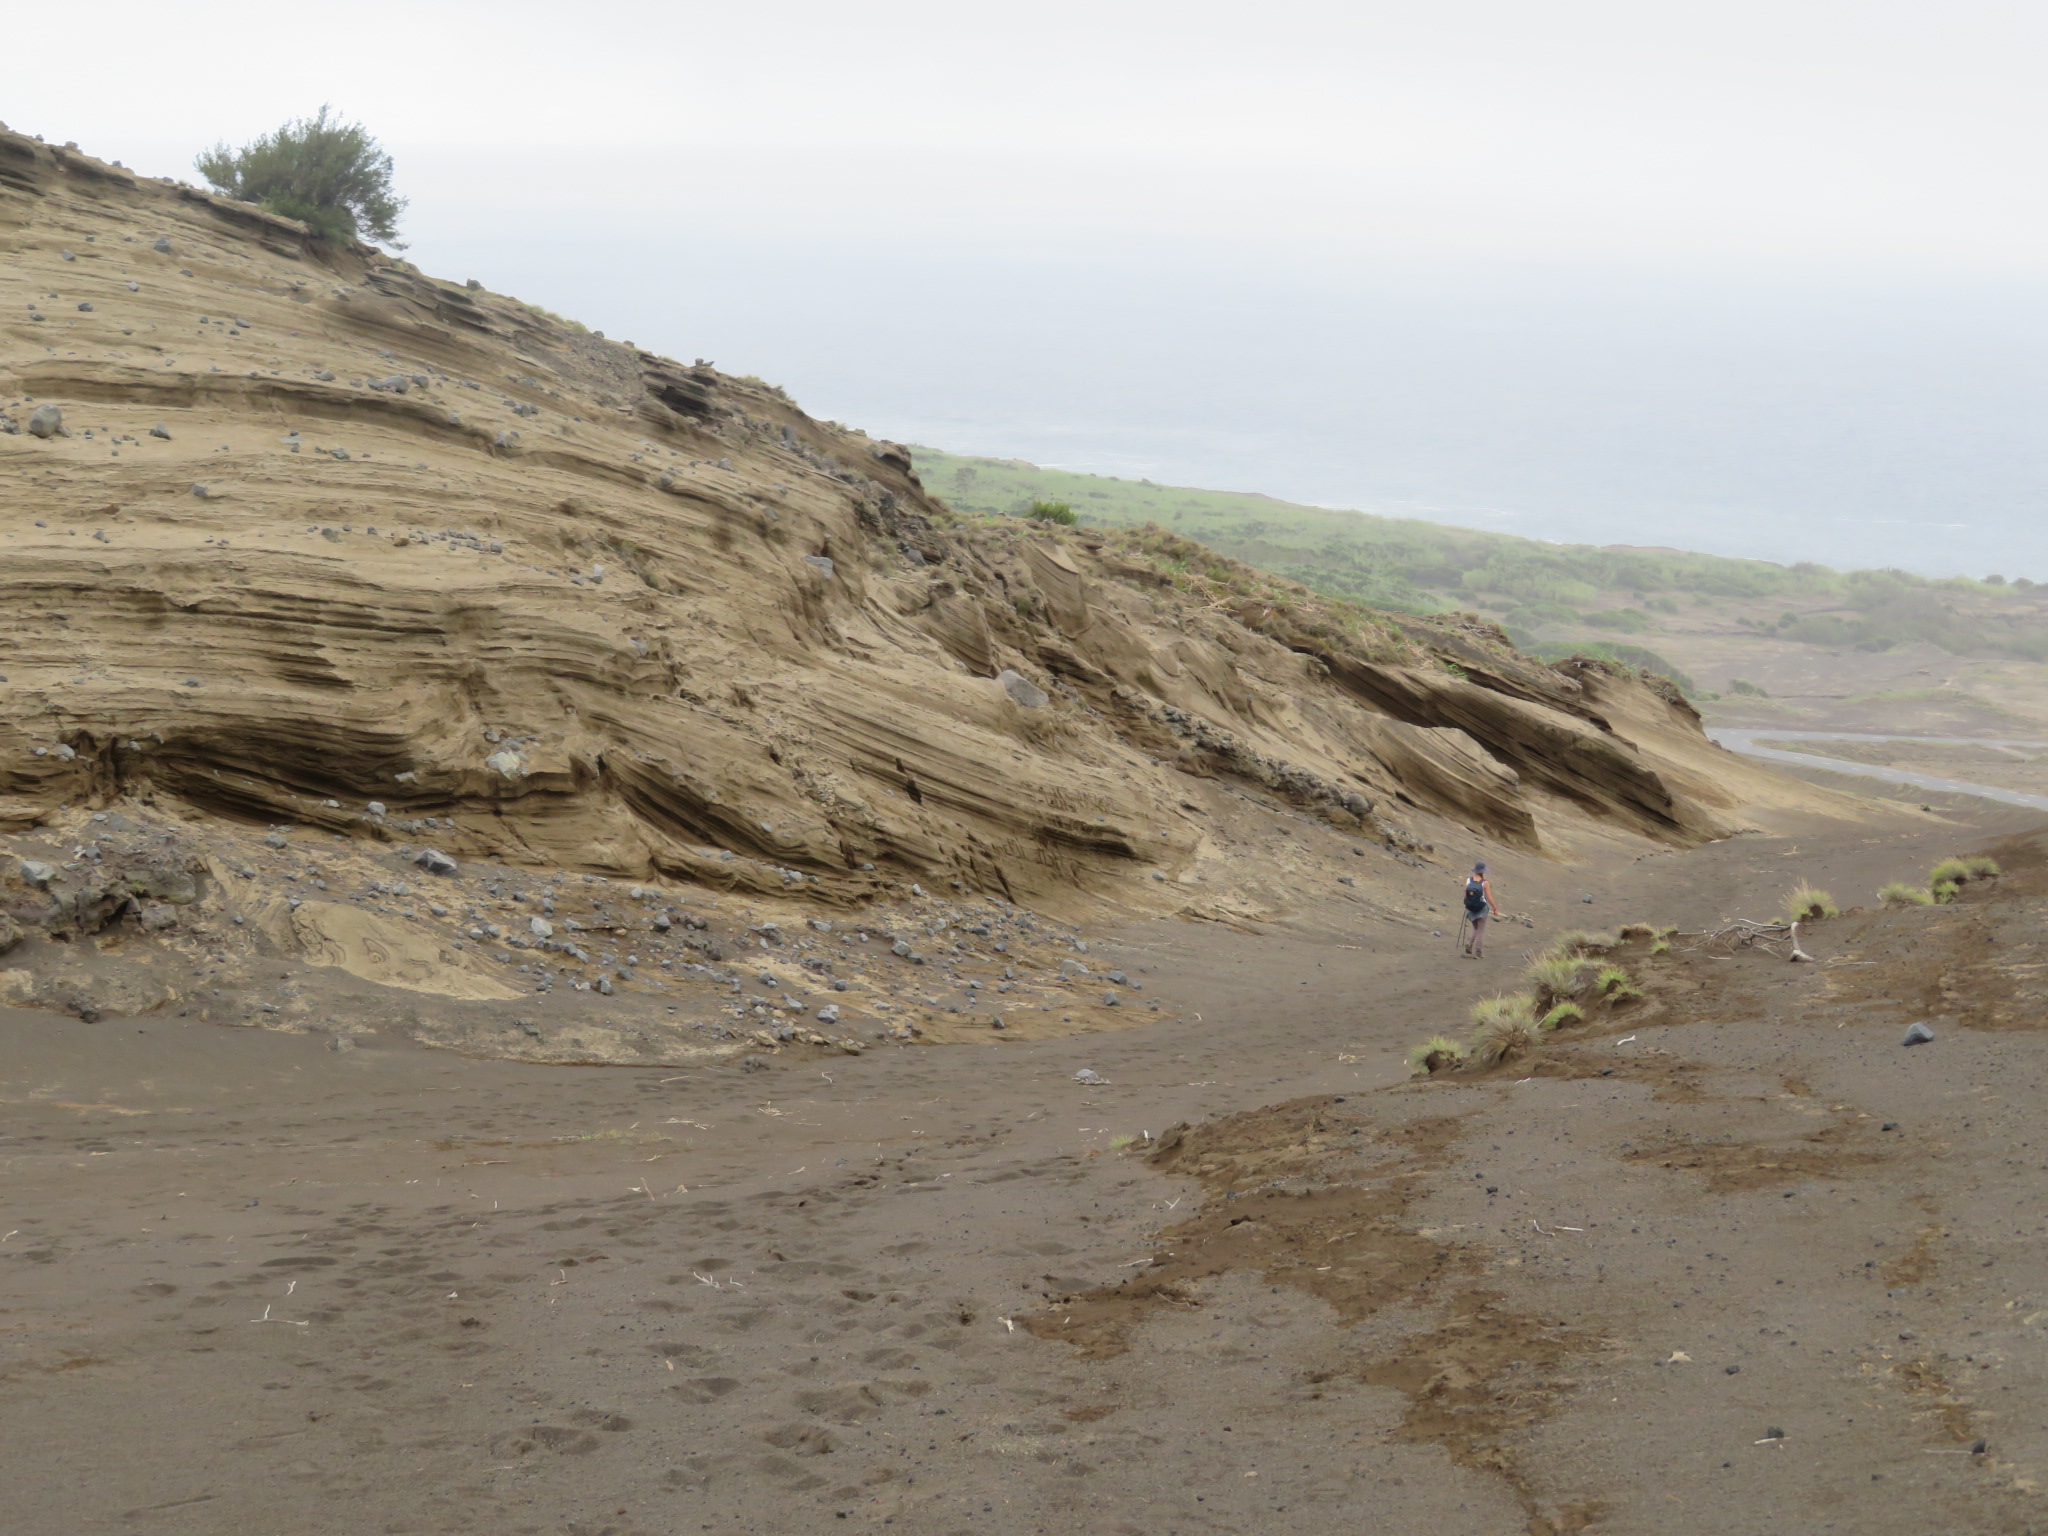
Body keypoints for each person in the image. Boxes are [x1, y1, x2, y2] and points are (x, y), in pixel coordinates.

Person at [1461, 862, 1497, 957]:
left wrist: (1468, 904)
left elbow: (1465, 896)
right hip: (1482, 908)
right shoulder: (1485, 883)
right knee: (1480, 930)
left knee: (1475, 928)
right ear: (1483, 871)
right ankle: (1478, 952)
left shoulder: (1468, 880)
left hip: (1471, 908)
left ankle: (1470, 944)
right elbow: (1489, 898)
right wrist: (1495, 908)